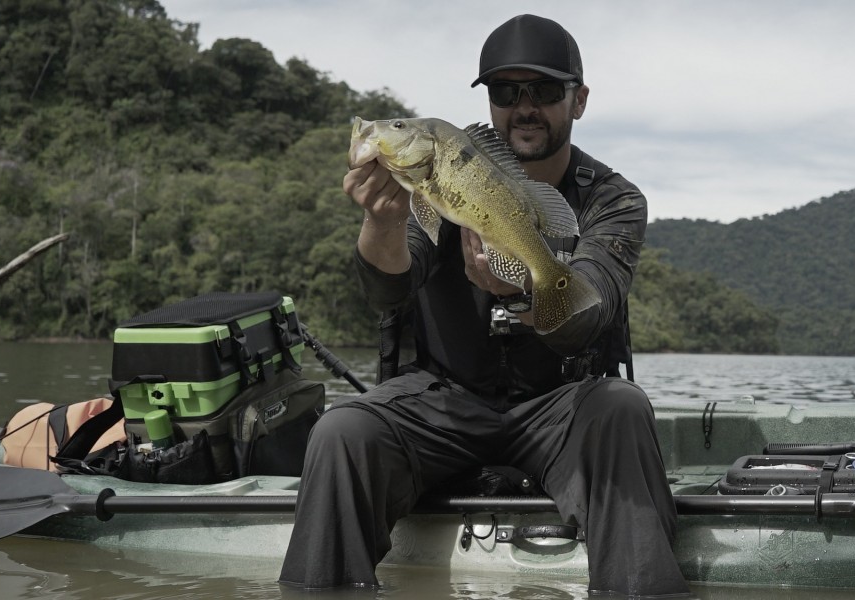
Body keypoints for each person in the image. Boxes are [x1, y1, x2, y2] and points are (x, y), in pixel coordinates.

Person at [278, 14, 689, 597]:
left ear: (579, 100)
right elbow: (386, 290)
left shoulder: (612, 199)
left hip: (561, 405)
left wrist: (521, 285)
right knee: (341, 431)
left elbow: (588, 317)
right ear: (490, 102)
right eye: (505, 92)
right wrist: (381, 222)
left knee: (622, 409)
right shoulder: (441, 176)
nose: (524, 107)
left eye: (544, 91)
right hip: (443, 401)